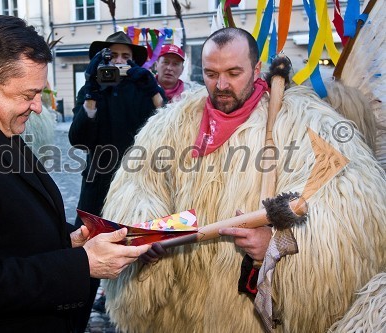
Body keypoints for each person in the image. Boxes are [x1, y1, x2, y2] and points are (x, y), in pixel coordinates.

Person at [101, 27, 386, 332]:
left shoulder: (305, 121)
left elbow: (350, 207)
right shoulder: (173, 122)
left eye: (234, 73)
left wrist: (279, 245)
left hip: (244, 312)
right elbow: (137, 182)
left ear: (256, 69)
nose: (221, 85)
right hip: (180, 307)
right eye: (211, 74)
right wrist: (144, 227)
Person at [0, 15, 151, 333]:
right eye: (28, 95)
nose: (37, 106)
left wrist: (68, 240)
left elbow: (9, 228)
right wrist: (82, 264)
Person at [68, 31, 165, 330]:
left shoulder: (141, 88)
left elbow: (166, 129)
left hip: (138, 189)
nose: (120, 63)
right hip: (98, 188)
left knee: (140, 258)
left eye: (126, 57)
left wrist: (152, 88)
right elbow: (78, 138)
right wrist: (91, 96)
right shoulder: (95, 89)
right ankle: (73, 321)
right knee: (84, 263)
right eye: (113, 57)